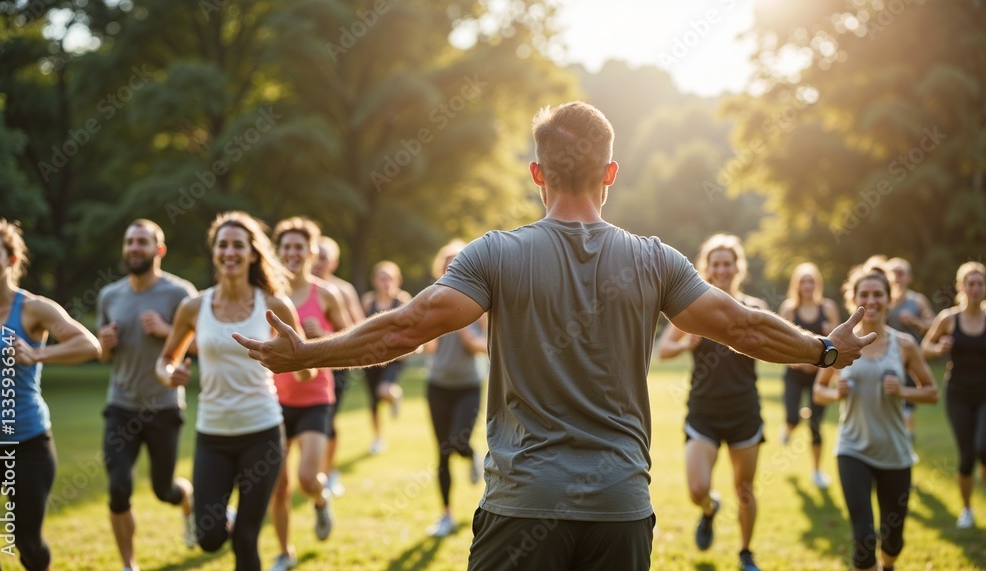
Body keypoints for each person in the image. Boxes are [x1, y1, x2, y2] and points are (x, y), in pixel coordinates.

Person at [233, 101, 874, 571]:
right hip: (619, 507)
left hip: (523, 505)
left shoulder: (494, 256)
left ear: (537, 174)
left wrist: (309, 353)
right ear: (611, 172)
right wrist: (824, 350)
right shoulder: (656, 259)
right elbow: (739, 325)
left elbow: (409, 324)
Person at [155, 211, 311, 571]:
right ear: (214, 252)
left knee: (245, 540)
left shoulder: (274, 305)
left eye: (238, 245)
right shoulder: (194, 306)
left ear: (253, 254)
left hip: (262, 432)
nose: (230, 252)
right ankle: (220, 511)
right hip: (212, 434)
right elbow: (164, 360)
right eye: (222, 244)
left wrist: (298, 359)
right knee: (209, 539)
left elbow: (307, 370)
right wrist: (169, 375)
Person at [0, 218, 101, 571]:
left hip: (28, 443)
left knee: (27, 542)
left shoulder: (32, 308)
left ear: (12, 260)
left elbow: (89, 344)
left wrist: (38, 353)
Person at [814, 262, 938, 571]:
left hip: (895, 452)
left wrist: (903, 392)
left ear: (889, 298)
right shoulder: (840, 344)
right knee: (863, 537)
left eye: (878, 294)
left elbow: (932, 392)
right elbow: (819, 392)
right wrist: (836, 394)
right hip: (852, 449)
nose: (871, 301)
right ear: (853, 299)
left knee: (893, 539)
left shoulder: (905, 345)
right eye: (864, 294)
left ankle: (889, 565)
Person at [658, 233, 768, 571]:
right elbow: (664, 350)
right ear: (706, 268)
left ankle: (745, 552)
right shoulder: (695, 309)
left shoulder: (756, 309)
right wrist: (686, 344)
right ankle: (708, 510)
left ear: (738, 267)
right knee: (697, 488)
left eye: (728, 263)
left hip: (743, 411)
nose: (722, 269)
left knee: (744, 488)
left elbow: (778, 348)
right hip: (703, 411)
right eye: (715, 264)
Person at [96, 220, 198, 571]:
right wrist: (104, 345)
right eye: (129, 242)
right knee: (118, 488)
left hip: (164, 406)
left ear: (159, 250)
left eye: (142, 242)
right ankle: (129, 565)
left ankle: (188, 502)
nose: (134, 248)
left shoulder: (180, 293)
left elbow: (204, 344)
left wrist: (167, 330)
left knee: (163, 490)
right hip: (121, 406)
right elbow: (105, 356)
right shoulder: (110, 295)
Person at [267, 217, 350, 571]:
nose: (292, 252)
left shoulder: (326, 294)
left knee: (305, 478)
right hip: (275, 400)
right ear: (277, 251)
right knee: (278, 485)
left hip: (316, 397)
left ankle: (320, 497)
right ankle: (285, 552)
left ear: (312, 252)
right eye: (286, 246)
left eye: (299, 246)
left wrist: (324, 335)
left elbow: (352, 339)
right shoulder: (267, 295)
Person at [421, 240, 488, 538]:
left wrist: (459, 324)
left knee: (457, 441)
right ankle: (446, 515)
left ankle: (471, 454)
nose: (451, 265)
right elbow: (428, 347)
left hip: (468, 386)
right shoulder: (431, 299)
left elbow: (485, 345)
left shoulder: (480, 302)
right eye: (446, 261)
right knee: (442, 452)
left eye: (456, 260)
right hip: (437, 385)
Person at [922, 261, 986, 529]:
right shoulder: (949, 318)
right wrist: (939, 349)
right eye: (970, 283)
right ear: (961, 287)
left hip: (985, 394)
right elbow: (924, 347)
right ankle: (967, 510)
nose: (975, 288)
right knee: (967, 455)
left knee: (984, 447)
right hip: (958, 394)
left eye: (980, 283)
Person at [777, 262, 841, 488]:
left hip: (821, 376)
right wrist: (801, 363)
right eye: (803, 281)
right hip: (795, 373)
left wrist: (827, 335)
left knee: (815, 423)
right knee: (792, 417)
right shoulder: (789, 310)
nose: (807, 285)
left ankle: (816, 471)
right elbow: (782, 344)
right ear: (797, 285)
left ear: (817, 284)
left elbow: (838, 341)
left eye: (811, 281)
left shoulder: (828, 308)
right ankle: (789, 427)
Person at [313, 235, 365, 496]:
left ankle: (328, 471)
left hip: (336, 367)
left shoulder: (343, 290)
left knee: (328, 420)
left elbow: (358, 328)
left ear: (333, 262)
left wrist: (324, 332)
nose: (318, 262)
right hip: (304, 368)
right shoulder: (297, 287)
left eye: (324, 257)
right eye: (316, 255)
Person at [359, 260, 411, 454]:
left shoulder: (403, 300)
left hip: (394, 359)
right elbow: (361, 328)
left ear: (397, 280)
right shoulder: (368, 301)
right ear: (375, 281)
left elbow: (411, 328)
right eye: (382, 278)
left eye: (389, 278)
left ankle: (394, 396)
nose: (386, 282)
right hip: (371, 360)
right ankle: (378, 438)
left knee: (384, 390)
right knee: (373, 402)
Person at [886, 257, 935, 446]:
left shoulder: (918, 301)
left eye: (901, 273)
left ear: (909, 277)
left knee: (907, 406)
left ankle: (908, 436)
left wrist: (915, 321)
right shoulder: (884, 301)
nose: (897, 277)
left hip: (911, 363)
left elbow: (933, 327)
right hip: (887, 361)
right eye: (893, 273)